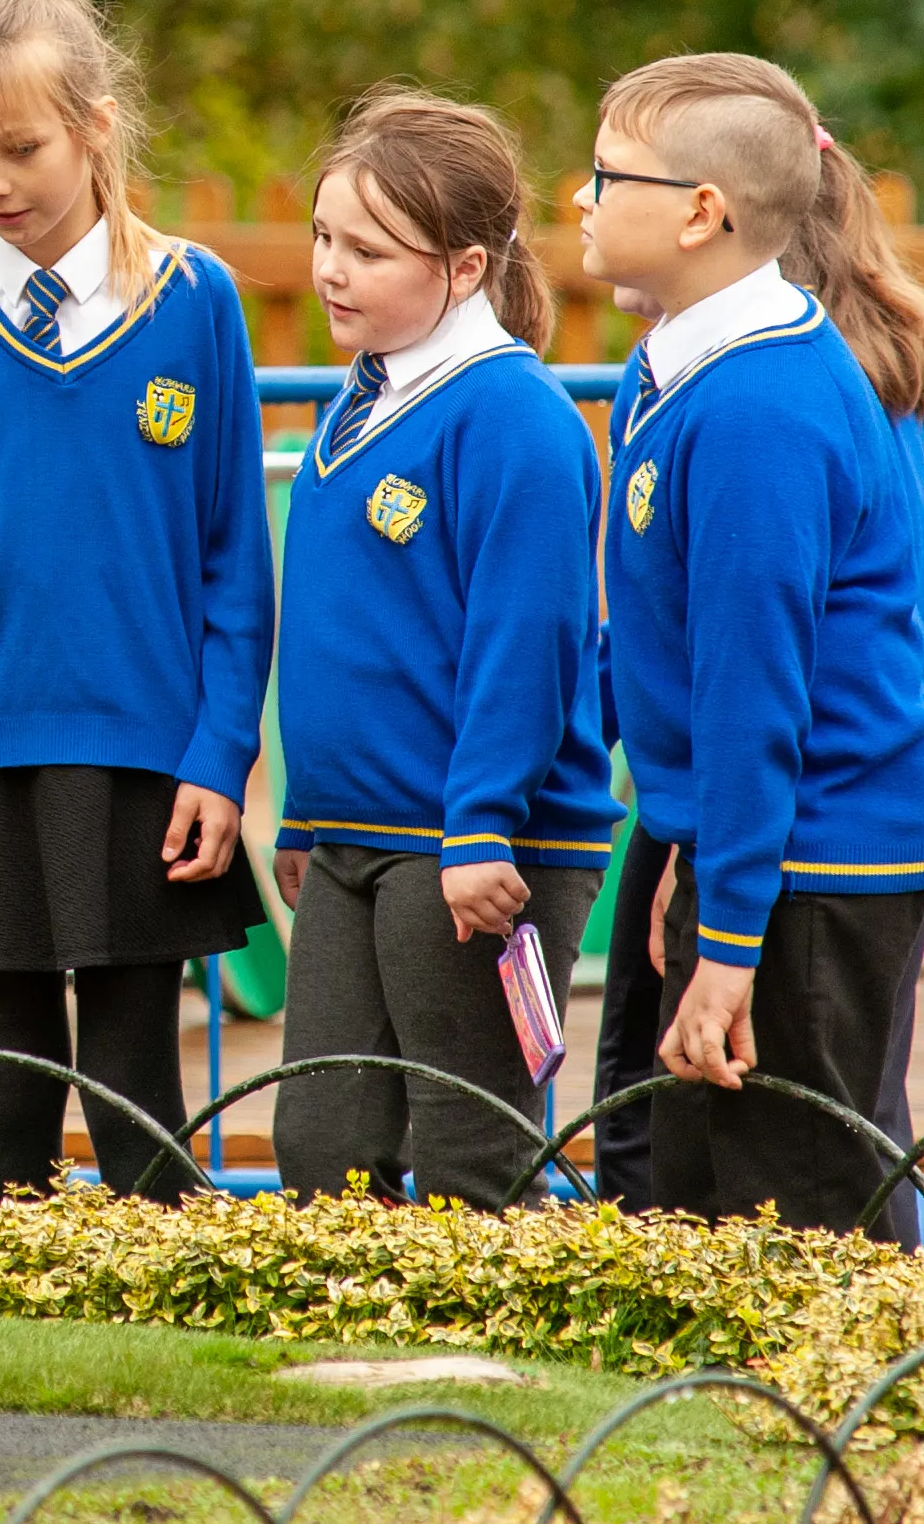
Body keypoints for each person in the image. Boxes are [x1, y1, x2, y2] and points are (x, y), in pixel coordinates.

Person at [0, 0, 274, 1201]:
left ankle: (156, 1319)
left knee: (137, 1091)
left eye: (22, 148)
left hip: (145, 757)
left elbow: (237, 558)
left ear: (97, 128)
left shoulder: (196, 299)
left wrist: (218, 754)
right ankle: (9, 1339)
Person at [579, 51, 924, 1234]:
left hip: (816, 862)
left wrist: (731, 934)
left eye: (606, 174)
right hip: (757, 844)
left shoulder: (759, 409)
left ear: (703, 211)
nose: (580, 200)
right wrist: (683, 847)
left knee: (802, 1207)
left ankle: (894, 1414)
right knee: (698, 1177)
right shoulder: (677, 364)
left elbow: (755, 693)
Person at [271, 88, 619, 1207]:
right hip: (352, 836)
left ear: (465, 268)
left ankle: (494, 1381)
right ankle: (352, 1378)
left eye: (369, 249)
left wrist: (477, 825)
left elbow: (528, 644)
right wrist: (304, 810)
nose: (332, 268)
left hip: (468, 847)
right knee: (322, 1147)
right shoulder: (357, 399)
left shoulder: (513, 418)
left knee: (473, 1156)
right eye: (325, 235)